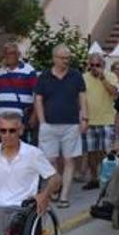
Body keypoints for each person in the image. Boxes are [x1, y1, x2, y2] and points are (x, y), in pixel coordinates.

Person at [34, 45, 88, 209]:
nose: (66, 61)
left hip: (71, 124)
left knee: (69, 160)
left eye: (68, 58)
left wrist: (85, 118)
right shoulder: (44, 76)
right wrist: (42, 121)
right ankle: (56, 186)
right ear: (54, 58)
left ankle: (64, 195)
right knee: (50, 160)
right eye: (63, 58)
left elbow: (83, 98)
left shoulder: (76, 76)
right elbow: (38, 100)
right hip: (49, 124)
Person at [81, 53, 119, 190]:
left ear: (103, 65)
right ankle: (94, 178)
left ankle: (108, 178)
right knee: (91, 152)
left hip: (107, 120)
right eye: (92, 65)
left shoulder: (110, 76)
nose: (94, 68)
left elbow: (115, 93)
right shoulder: (83, 78)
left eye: (98, 65)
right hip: (90, 120)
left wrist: (103, 79)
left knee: (106, 151)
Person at [0, 43, 38, 144]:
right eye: (6, 53)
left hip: (21, 118)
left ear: (18, 54)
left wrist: (34, 115)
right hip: (3, 118)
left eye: (11, 53)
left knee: (22, 148)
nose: (8, 56)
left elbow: (37, 94)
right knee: (3, 147)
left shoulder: (29, 70)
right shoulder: (0, 72)